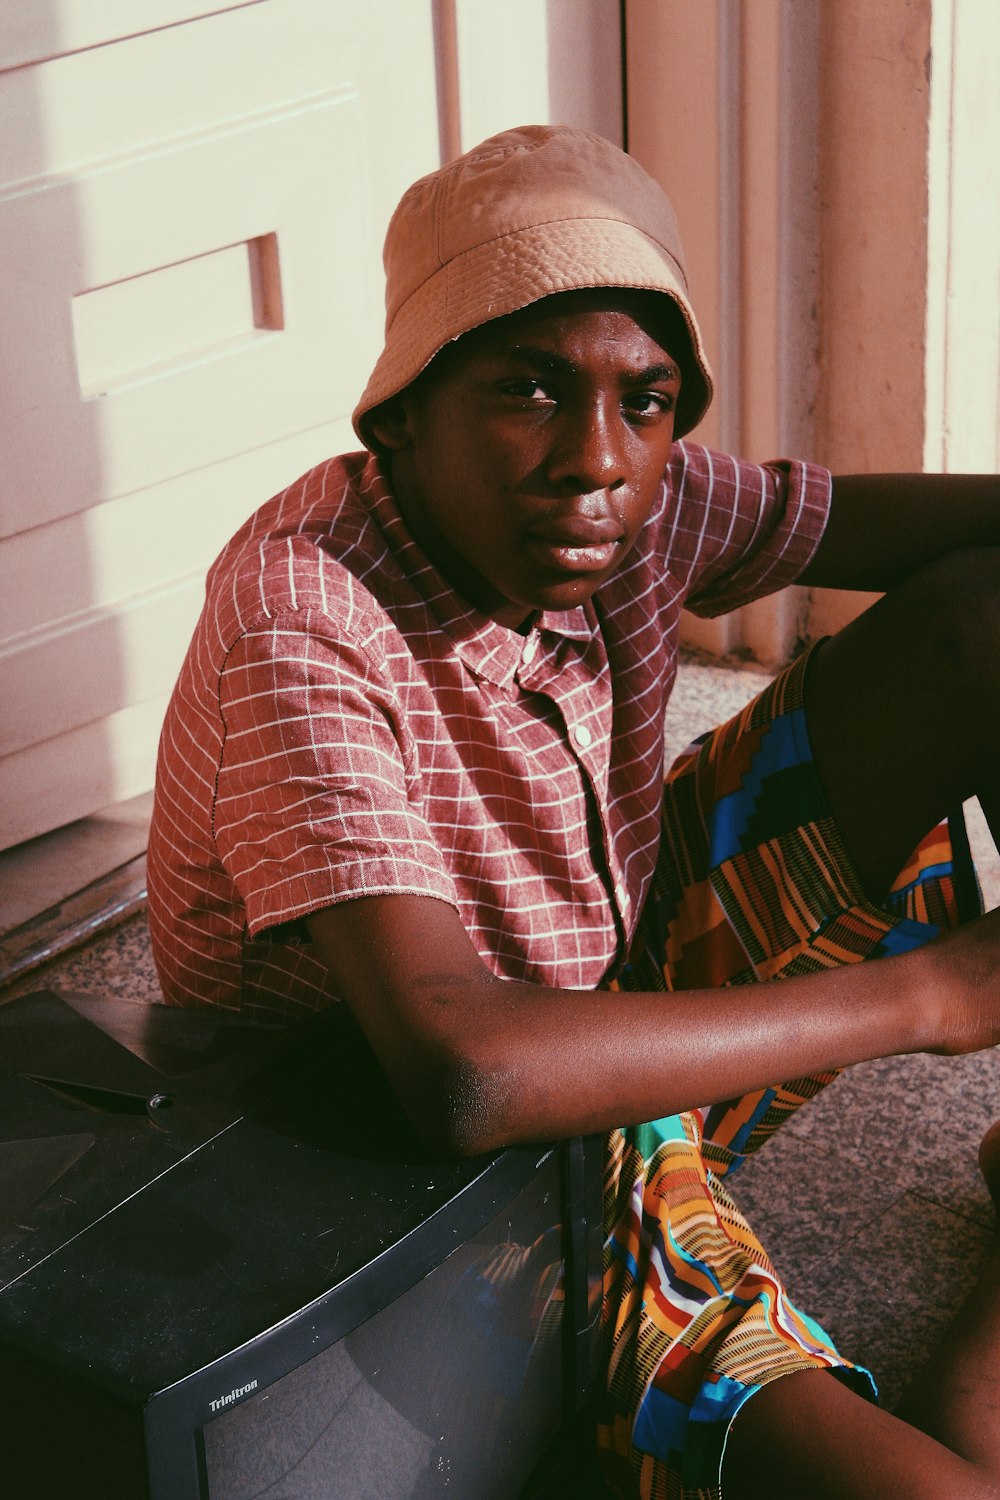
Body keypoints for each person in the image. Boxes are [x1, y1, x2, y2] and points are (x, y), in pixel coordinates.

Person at [147, 125, 1000, 1498]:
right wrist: (939, 997)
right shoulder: (303, 617)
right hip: (422, 1157)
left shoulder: (626, 499)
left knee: (981, 622)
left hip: (603, 987)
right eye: (528, 389)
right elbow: (461, 1069)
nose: (595, 457)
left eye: (646, 401)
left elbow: (886, 527)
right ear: (403, 411)